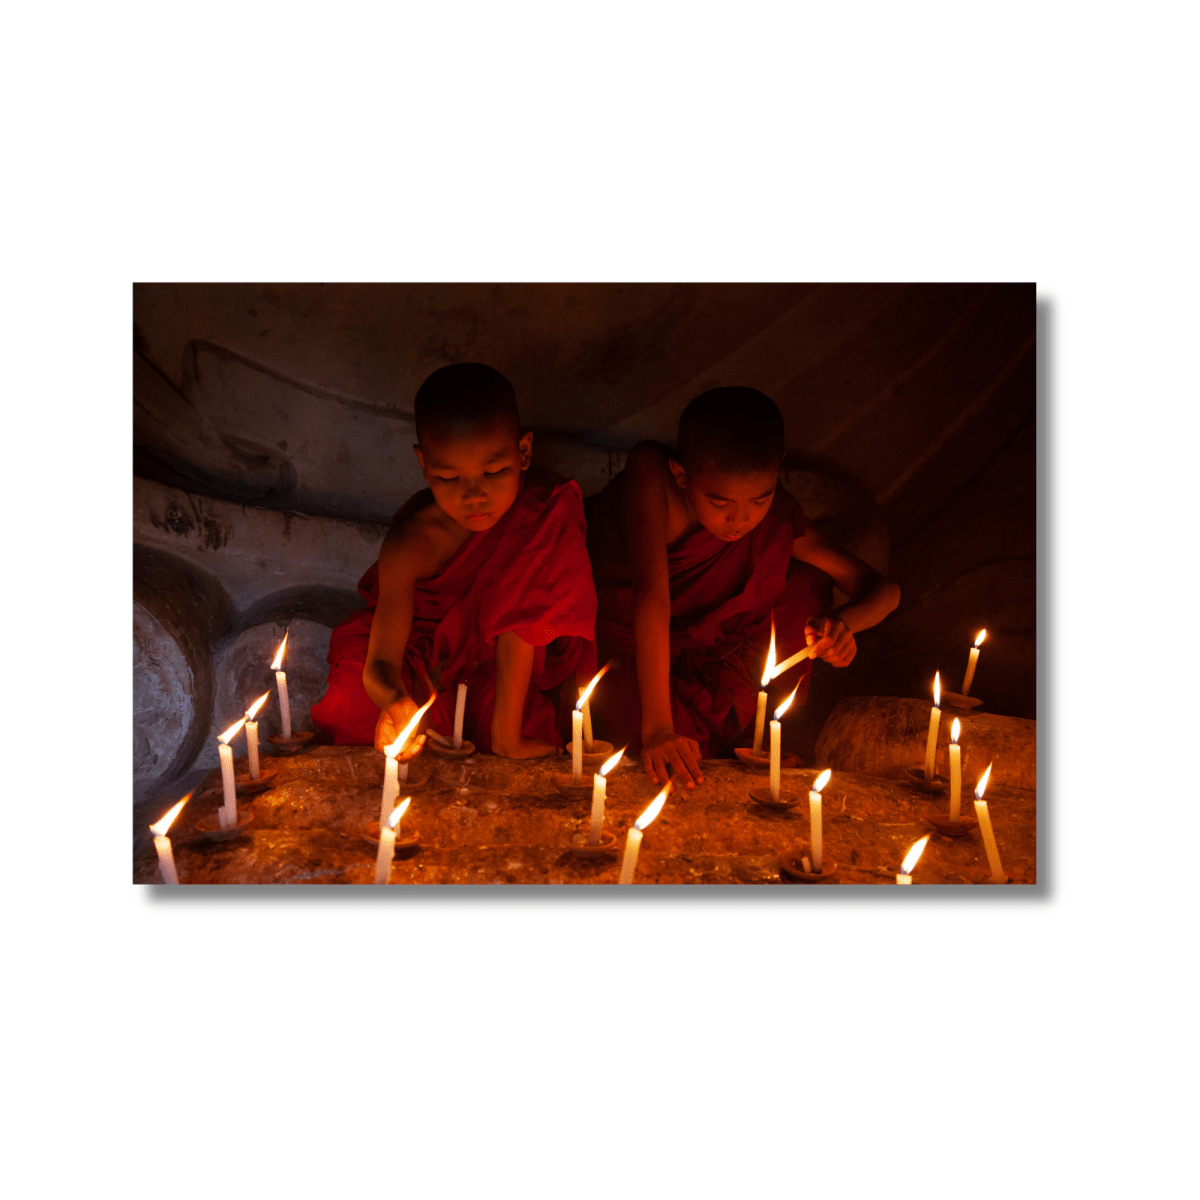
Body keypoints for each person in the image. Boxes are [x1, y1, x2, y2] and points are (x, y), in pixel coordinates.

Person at [585, 386, 900, 789]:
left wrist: (843, 625)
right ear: (681, 474)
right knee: (658, 756)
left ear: (776, 471)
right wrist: (659, 729)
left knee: (804, 582)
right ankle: (702, 728)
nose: (741, 520)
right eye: (719, 504)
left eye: (760, 499)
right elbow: (652, 599)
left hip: (718, 639)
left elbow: (885, 591)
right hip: (633, 639)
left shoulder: (774, 511)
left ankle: (772, 732)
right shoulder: (651, 474)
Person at [311, 363, 597, 758]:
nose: (474, 497)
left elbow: (525, 619)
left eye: (494, 471)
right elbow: (379, 662)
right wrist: (396, 703)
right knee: (354, 706)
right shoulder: (411, 541)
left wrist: (505, 737)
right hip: (418, 656)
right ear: (424, 465)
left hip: (495, 661)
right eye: (449, 479)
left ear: (524, 452)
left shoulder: (543, 507)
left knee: (526, 731)